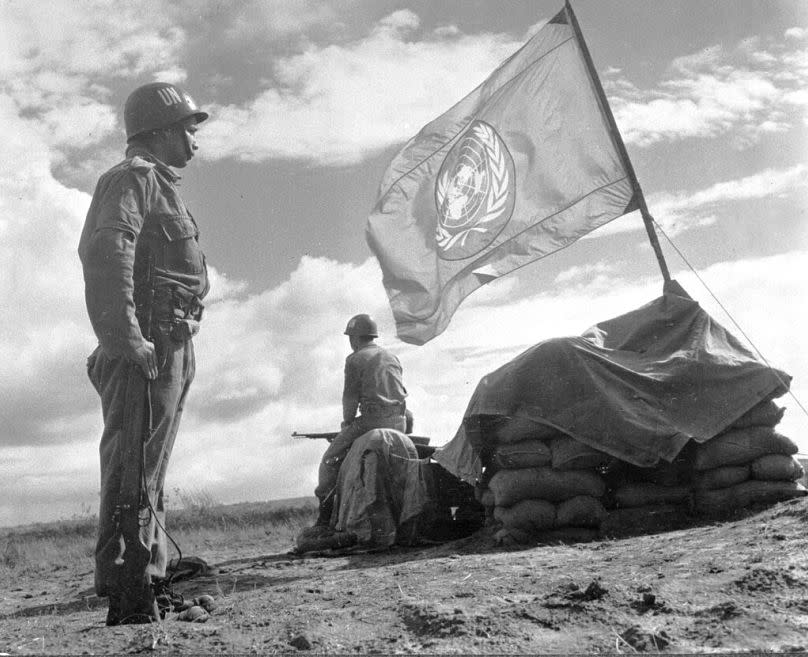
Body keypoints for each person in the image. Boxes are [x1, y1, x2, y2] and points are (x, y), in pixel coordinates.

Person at [78, 82, 209, 625]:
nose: (194, 141)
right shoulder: (131, 179)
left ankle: (147, 579)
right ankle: (131, 590)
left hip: (171, 340)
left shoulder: (160, 186)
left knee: (147, 468)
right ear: (158, 131)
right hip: (149, 344)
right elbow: (107, 253)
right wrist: (128, 340)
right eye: (186, 129)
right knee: (134, 467)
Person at [314, 314, 408, 526]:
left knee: (329, 460)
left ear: (354, 338)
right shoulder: (392, 357)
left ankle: (324, 517)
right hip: (399, 420)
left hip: (372, 420)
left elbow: (350, 397)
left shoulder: (355, 359)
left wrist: (347, 423)